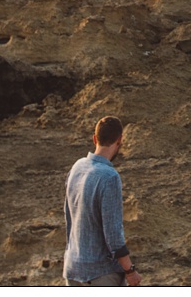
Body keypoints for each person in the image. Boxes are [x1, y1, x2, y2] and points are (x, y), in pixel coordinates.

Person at [63, 116, 140, 286]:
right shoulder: (109, 177)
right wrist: (130, 270)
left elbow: (69, 216)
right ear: (120, 140)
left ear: (94, 138)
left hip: (73, 267)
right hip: (100, 274)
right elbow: (113, 234)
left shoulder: (77, 167)